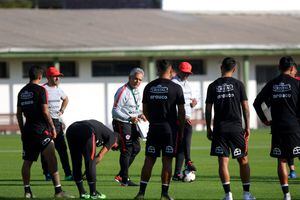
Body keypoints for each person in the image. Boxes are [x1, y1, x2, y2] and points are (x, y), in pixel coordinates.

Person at [16, 65, 73, 198]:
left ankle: (27, 191)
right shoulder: (41, 90)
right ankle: (58, 191)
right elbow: (45, 111)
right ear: (41, 77)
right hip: (42, 130)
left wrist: (22, 131)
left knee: (27, 161)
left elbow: (19, 114)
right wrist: (52, 127)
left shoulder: (22, 92)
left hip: (28, 130)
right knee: (52, 158)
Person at [134, 60, 186, 200]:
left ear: (157, 70)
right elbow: (181, 113)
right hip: (170, 131)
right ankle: (164, 194)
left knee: (149, 160)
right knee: (167, 161)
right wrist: (180, 130)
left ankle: (141, 193)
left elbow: (145, 111)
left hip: (154, 129)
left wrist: (154, 122)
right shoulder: (176, 88)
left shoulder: (149, 87)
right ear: (170, 70)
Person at [205, 57, 255, 200]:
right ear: (234, 69)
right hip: (236, 129)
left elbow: (208, 110)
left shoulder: (213, 86)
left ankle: (228, 195)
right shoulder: (238, 84)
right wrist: (248, 126)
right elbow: (245, 107)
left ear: (221, 67)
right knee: (243, 160)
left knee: (223, 162)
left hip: (220, 129)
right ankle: (246, 194)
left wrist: (209, 128)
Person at [253, 56, 300, 200]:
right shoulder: (296, 84)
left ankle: (287, 195)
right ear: (292, 68)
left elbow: (257, 103)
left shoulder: (272, 84)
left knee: (282, 161)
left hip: (278, 127)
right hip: (295, 127)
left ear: (279, 68)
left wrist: (265, 119)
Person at [66, 119, 119, 199]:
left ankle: (82, 192)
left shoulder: (105, 131)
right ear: (117, 142)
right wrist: (86, 172)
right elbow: (99, 156)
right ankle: (93, 193)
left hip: (71, 128)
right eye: (115, 147)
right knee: (90, 162)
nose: (112, 147)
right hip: (86, 130)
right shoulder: (113, 138)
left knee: (76, 161)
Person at [112, 67, 146, 186]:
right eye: (135, 79)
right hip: (121, 122)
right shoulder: (123, 91)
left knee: (136, 148)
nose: (137, 82)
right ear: (129, 78)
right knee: (126, 150)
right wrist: (128, 118)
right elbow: (115, 111)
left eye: (140, 80)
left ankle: (121, 175)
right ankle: (124, 179)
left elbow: (134, 109)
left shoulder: (137, 91)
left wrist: (140, 114)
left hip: (132, 123)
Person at [41, 66, 73, 181]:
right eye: (55, 76)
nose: (57, 78)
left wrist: (62, 111)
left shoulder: (59, 89)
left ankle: (68, 174)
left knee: (62, 149)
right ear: (48, 77)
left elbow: (66, 99)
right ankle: (47, 174)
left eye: (58, 76)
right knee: (46, 150)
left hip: (57, 123)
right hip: (45, 123)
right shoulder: (42, 89)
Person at [171, 61, 197, 181]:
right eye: (185, 73)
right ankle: (188, 161)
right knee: (184, 142)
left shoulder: (187, 84)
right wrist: (183, 116)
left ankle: (177, 174)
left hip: (186, 118)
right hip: (178, 119)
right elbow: (173, 104)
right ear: (179, 71)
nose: (187, 75)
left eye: (189, 73)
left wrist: (192, 105)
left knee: (181, 146)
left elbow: (186, 103)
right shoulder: (174, 83)